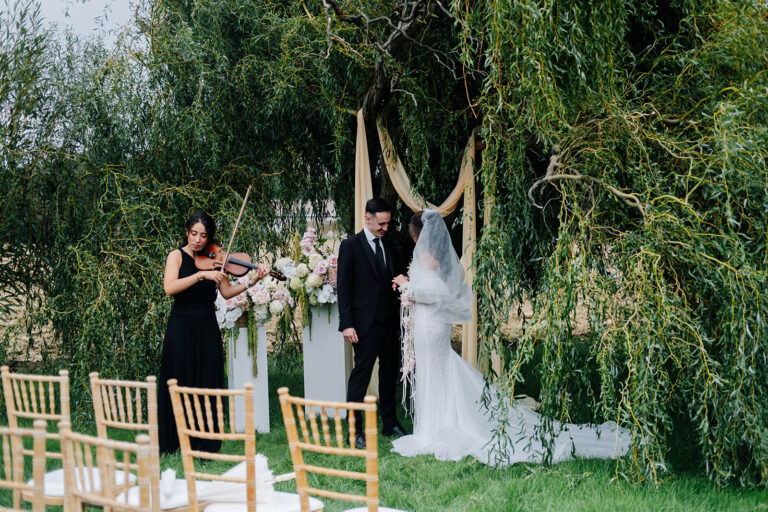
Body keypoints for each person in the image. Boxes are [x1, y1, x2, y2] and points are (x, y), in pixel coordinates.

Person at [391, 210, 630, 466]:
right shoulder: (433, 254)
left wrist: (408, 285)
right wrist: (411, 286)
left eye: (414, 235)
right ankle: (434, 425)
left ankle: (437, 429)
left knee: (435, 371)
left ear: (418, 234)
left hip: (431, 326)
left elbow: (435, 291)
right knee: (435, 371)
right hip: (430, 324)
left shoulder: (427, 256)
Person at [158, 210, 269, 454]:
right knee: (179, 380)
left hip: (206, 326)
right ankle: (173, 442)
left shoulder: (216, 259)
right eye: (194, 233)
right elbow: (169, 288)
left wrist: (254, 280)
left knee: (205, 380)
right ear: (187, 232)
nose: (197, 240)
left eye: (203, 236)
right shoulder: (176, 256)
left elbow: (227, 293)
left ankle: (204, 444)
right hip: (181, 326)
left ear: (209, 238)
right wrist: (200, 275)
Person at [337, 198, 408, 449]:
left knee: (390, 375)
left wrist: (403, 279)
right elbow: (343, 288)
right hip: (363, 325)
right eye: (381, 223)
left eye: (388, 223)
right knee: (361, 377)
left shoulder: (390, 243)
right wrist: (347, 324)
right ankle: (354, 432)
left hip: (390, 323)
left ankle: (390, 423)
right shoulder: (350, 246)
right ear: (367, 218)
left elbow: (399, 274)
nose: (385, 228)